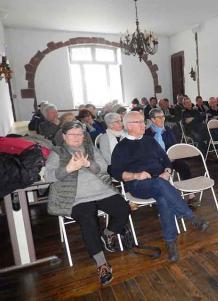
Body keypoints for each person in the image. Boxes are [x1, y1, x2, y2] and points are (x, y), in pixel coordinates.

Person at [111, 111, 209, 262]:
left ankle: (170, 244)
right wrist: (136, 175)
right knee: (160, 185)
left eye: (144, 121)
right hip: (138, 185)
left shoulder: (150, 141)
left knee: (163, 198)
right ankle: (191, 217)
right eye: (139, 122)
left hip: (160, 182)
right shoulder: (121, 147)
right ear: (128, 126)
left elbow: (166, 159)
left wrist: (168, 171)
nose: (144, 125)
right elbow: (116, 173)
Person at [45, 121, 130, 285]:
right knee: (88, 221)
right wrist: (68, 168)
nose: (77, 138)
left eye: (80, 134)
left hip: (101, 191)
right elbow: (48, 176)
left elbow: (104, 167)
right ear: (64, 137)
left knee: (123, 209)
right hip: (77, 197)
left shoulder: (90, 149)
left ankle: (108, 233)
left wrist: (88, 163)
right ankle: (101, 264)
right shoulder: (57, 152)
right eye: (72, 134)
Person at [145, 108, 199, 207]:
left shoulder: (168, 130)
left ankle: (191, 195)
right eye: (159, 117)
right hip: (156, 161)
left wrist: (171, 156)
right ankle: (160, 198)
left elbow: (174, 145)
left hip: (170, 158)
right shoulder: (147, 133)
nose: (163, 119)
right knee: (156, 171)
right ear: (152, 120)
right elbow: (148, 150)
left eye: (163, 117)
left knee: (184, 166)